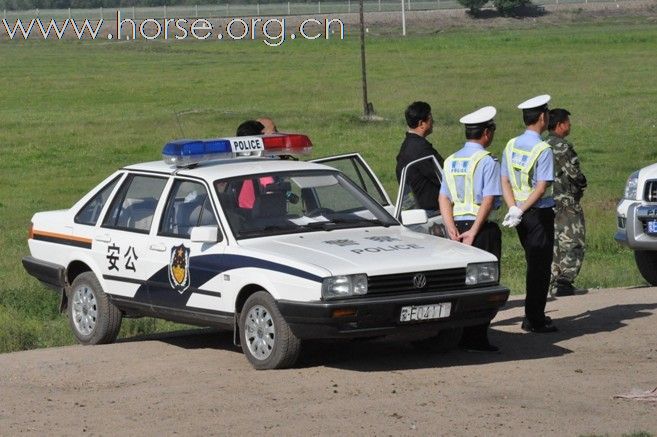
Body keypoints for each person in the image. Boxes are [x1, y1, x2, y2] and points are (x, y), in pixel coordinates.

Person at [439, 106, 502, 352]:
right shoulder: (487, 161)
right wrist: (474, 231)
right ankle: (476, 337)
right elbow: (488, 199)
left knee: (458, 283)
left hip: (456, 229)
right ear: (487, 133)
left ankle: (459, 334)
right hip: (479, 228)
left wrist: (451, 228)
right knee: (484, 285)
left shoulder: (451, 160)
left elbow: (443, 198)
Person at [501, 95, 558, 334]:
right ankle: (534, 318)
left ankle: (534, 314)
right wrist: (522, 208)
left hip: (520, 216)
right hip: (538, 213)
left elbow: (504, 179)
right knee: (540, 267)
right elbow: (542, 187)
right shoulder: (543, 149)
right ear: (543, 118)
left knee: (533, 263)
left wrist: (514, 207)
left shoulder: (511, 144)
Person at [546, 108, 587, 296]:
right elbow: (574, 174)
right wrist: (582, 183)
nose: (570, 125)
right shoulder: (562, 146)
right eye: (567, 122)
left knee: (554, 242)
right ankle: (565, 281)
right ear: (560, 124)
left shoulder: (542, 145)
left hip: (547, 201)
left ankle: (553, 280)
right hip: (566, 201)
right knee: (573, 240)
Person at [396, 101, 444, 214]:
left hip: (415, 210)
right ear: (422, 123)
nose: (433, 122)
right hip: (430, 212)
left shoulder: (407, 144)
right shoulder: (421, 149)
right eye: (430, 118)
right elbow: (443, 176)